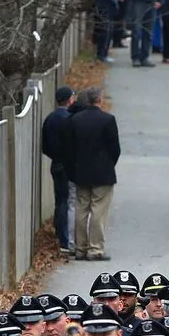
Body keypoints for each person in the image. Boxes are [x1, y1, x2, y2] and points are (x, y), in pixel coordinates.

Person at [67, 86, 120, 262]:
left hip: (81, 171)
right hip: (102, 172)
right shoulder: (108, 120)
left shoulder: (75, 120)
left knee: (81, 208)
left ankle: (80, 247)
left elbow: (71, 147)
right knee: (98, 210)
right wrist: (108, 164)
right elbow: (115, 149)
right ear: (99, 100)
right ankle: (95, 248)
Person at [40, 86, 75, 252]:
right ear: (70, 100)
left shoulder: (50, 119)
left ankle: (59, 231)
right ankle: (65, 238)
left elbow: (44, 145)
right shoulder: (71, 119)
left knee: (59, 199)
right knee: (67, 201)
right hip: (69, 164)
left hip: (56, 163)